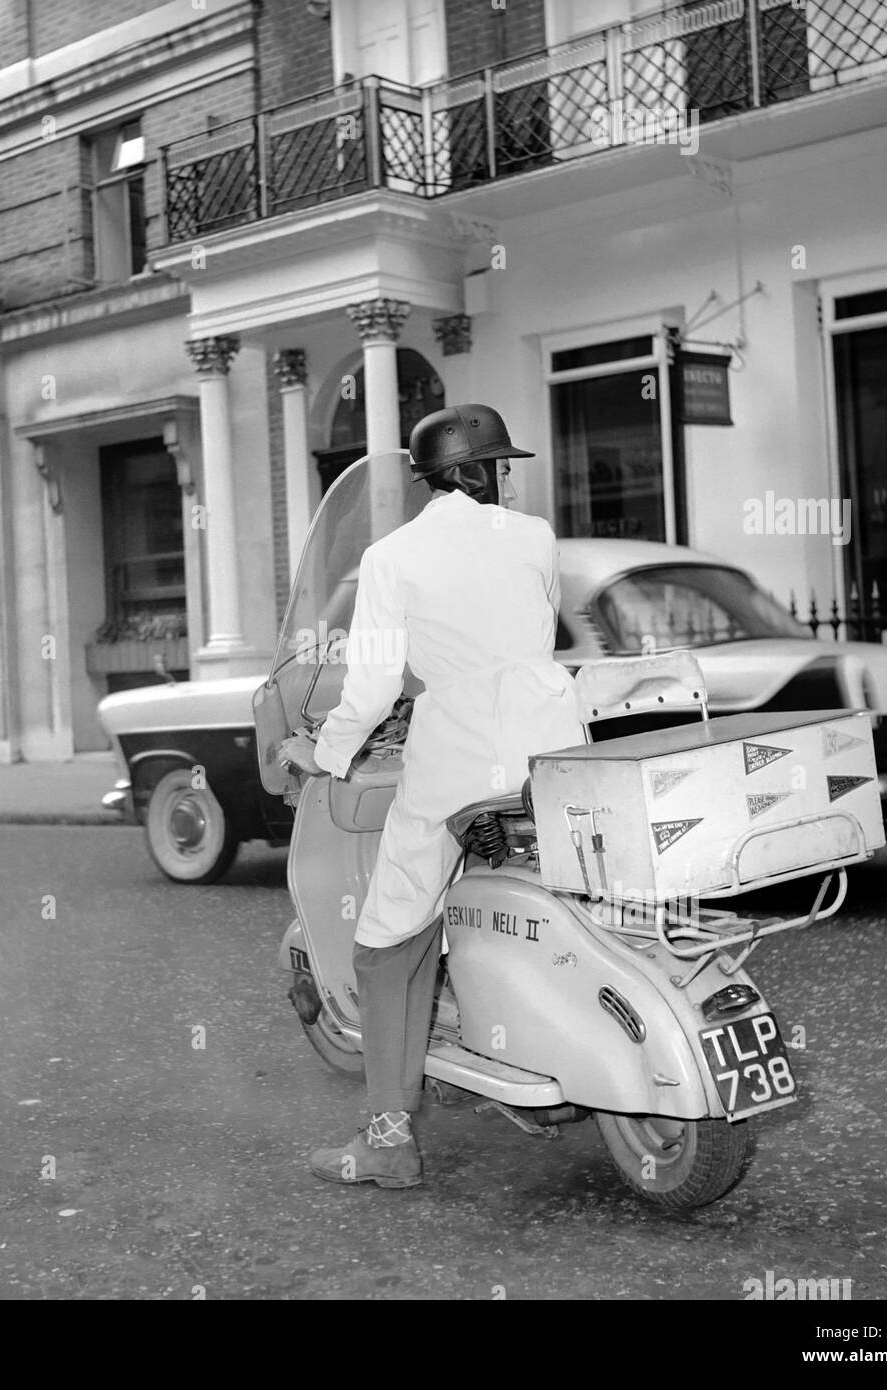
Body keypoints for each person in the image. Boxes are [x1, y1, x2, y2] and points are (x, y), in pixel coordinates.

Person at [279, 403, 586, 1188]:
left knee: (386, 942)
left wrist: (323, 752)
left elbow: (377, 683)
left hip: (458, 761)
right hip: (552, 744)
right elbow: (530, 638)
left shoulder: (392, 557)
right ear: (483, 471)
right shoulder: (538, 538)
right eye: (502, 468)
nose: (508, 482)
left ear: (431, 477)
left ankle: (387, 1139)